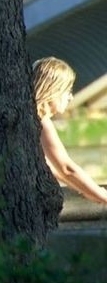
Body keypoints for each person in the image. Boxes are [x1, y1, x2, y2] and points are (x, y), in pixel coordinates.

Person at [32, 57, 107, 205]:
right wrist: (103, 196)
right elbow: (66, 168)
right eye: (67, 91)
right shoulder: (40, 120)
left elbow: (50, 168)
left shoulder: (28, 117)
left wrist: (88, 191)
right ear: (52, 90)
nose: (70, 97)